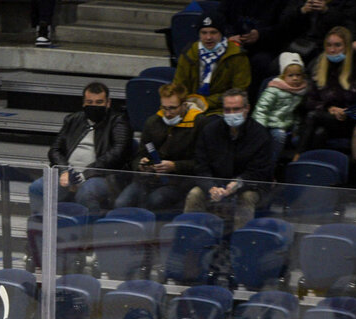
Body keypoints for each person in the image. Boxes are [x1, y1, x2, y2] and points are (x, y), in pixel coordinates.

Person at [28, 82, 133, 216]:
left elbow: (118, 153)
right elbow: (55, 150)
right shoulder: (73, 120)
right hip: (68, 174)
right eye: (90, 102)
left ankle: (88, 233)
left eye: (99, 102)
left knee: (86, 191)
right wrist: (64, 170)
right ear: (84, 103)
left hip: (101, 176)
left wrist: (84, 175)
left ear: (108, 103)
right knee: (37, 188)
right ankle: (39, 229)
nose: (94, 106)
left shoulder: (118, 121)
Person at [183, 88, 274, 230]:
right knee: (195, 194)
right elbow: (201, 166)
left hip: (248, 186)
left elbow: (259, 172)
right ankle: (189, 239)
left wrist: (236, 185)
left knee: (246, 198)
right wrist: (211, 187)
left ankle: (240, 243)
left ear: (247, 108)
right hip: (216, 183)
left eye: (236, 109)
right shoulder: (209, 131)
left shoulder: (260, 135)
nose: (231, 114)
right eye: (227, 110)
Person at [114, 82, 204, 214]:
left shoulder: (199, 123)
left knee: (155, 201)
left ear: (184, 105)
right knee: (121, 203)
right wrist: (141, 165)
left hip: (179, 181)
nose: (167, 113)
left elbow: (202, 163)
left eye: (172, 108)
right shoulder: (153, 122)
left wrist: (175, 166)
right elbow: (140, 154)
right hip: (148, 179)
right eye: (164, 107)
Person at [298, 26, 356, 155]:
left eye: (338, 45)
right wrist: (329, 108)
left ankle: (297, 158)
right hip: (325, 117)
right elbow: (309, 100)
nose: (332, 50)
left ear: (347, 47)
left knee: (313, 117)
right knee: (319, 133)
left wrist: (347, 111)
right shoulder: (318, 66)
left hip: (350, 121)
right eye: (329, 45)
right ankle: (314, 170)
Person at [173, 15, 251, 114]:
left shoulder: (237, 56)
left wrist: (204, 102)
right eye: (204, 33)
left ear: (221, 34)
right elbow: (178, 86)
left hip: (221, 109)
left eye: (213, 32)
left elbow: (239, 91)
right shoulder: (189, 53)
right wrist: (187, 103)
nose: (208, 37)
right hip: (189, 107)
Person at [252, 52, 310, 163]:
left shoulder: (302, 92)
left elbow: (297, 114)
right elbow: (261, 109)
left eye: (298, 75)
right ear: (283, 76)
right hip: (270, 125)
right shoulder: (274, 89)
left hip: (287, 127)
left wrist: (296, 129)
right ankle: (270, 164)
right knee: (279, 135)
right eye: (291, 75)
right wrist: (260, 129)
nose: (295, 78)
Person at [218, 0, 289, 87]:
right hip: (231, 41)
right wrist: (229, 36)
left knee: (261, 62)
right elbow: (219, 18)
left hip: (264, 47)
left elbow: (284, 28)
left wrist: (260, 34)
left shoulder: (280, 3)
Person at [277, 0, 356, 67]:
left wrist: (327, 11)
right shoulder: (299, 2)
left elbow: (347, 23)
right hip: (297, 43)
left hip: (325, 46)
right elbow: (283, 23)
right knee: (277, 67)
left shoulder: (344, 3)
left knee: (314, 67)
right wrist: (302, 10)